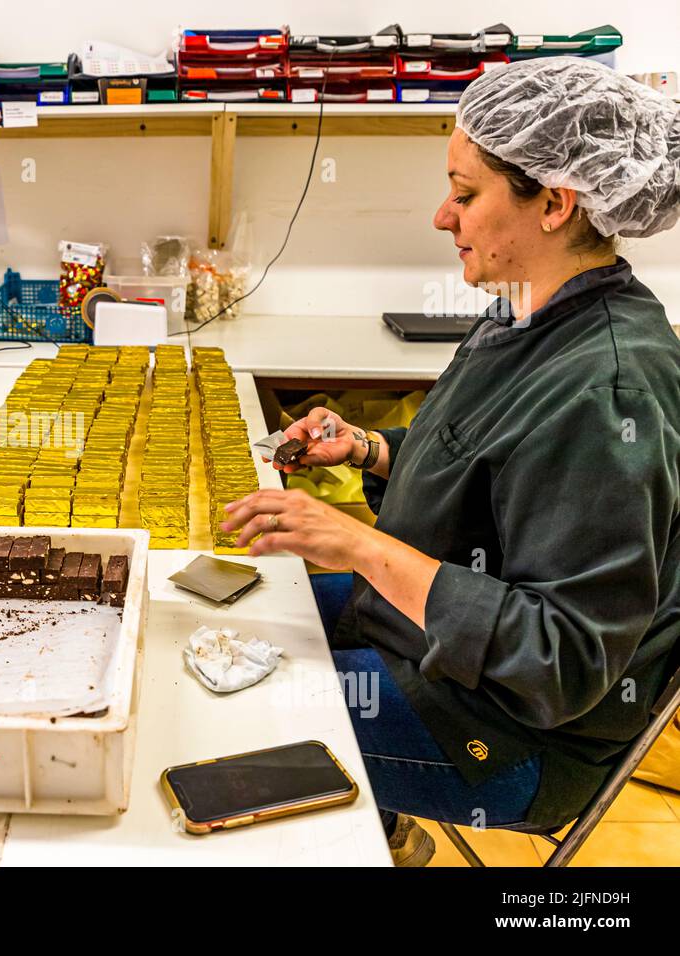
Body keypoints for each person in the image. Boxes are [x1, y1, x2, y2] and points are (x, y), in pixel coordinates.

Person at [221, 57, 680, 865]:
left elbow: (560, 657)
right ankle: (381, 823)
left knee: (221, 714)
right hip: (424, 642)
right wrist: (366, 449)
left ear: (556, 203)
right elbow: (493, 474)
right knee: (223, 619)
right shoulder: (528, 313)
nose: (443, 215)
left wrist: (358, 543)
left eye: (466, 194)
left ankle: (362, 831)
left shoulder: (609, 389)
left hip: (509, 734)